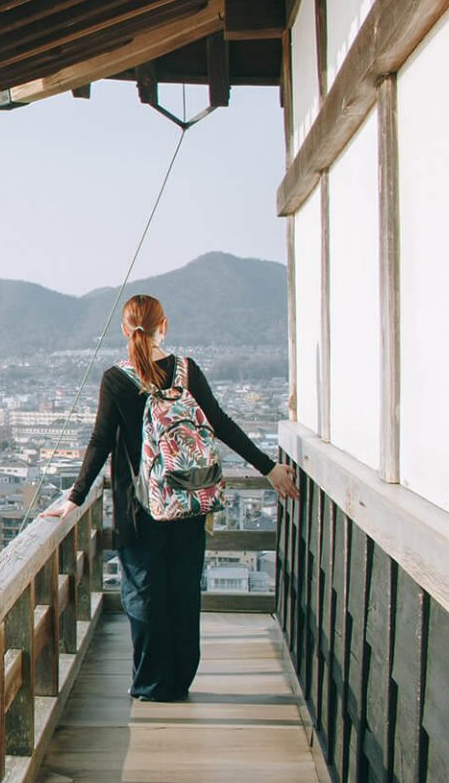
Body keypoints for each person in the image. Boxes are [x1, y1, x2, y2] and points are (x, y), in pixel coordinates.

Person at [42, 293, 298, 701]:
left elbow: (100, 442)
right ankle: (180, 681)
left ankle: (150, 683)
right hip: (189, 503)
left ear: (125, 330)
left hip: (140, 508)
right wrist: (268, 468)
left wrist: (73, 499)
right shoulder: (186, 370)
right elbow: (220, 424)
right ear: (165, 326)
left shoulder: (116, 378)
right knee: (182, 592)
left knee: (143, 594)